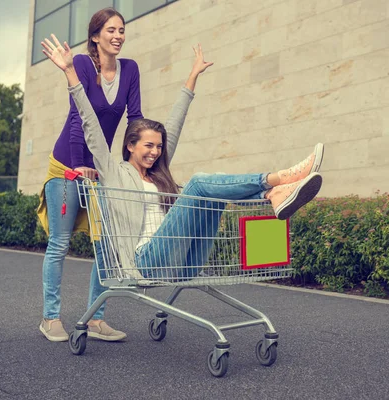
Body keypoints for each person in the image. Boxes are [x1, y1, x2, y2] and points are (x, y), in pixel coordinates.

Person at [41, 35, 324, 285]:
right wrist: (69, 72)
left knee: (209, 192)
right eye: (148, 146)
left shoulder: (158, 171)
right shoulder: (114, 174)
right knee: (199, 184)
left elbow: (175, 123)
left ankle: (273, 192)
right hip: (146, 262)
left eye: (158, 147)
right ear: (130, 145)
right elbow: (89, 123)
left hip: (183, 260)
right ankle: (277, 181)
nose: (154, 152)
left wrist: (193, 76)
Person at [37, 8, 141, 343]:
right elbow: (76, 116)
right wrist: (78, 165)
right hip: (67, 165)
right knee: (60, 243)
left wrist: (133, 166)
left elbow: (135, 119)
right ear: (96, 36)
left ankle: (96, 319)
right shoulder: (82, 64)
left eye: (122, 30)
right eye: (111, 30)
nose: (118, 36)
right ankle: (50, 318)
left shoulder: (130, 70)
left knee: (107, 243)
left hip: (99, 169)